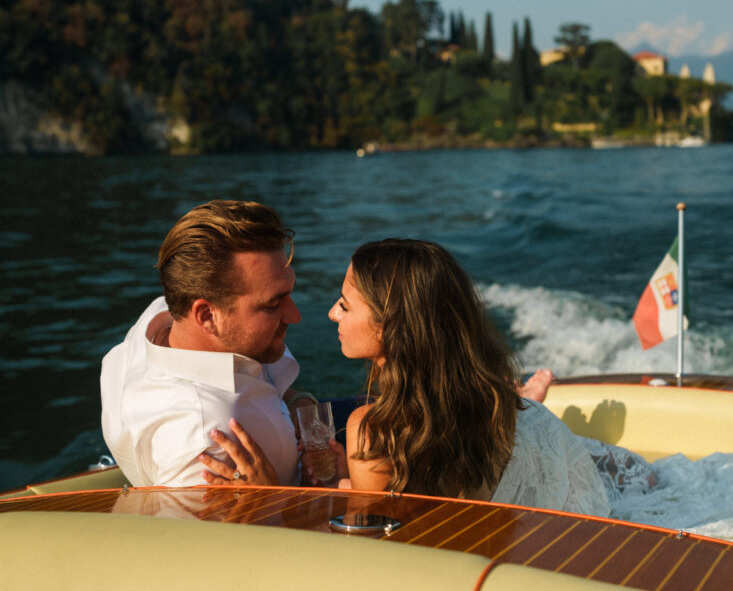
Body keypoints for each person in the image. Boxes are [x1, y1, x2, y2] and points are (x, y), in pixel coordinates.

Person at [202, 238, 608, 515]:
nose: (331, 313)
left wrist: (273, 496)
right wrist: (355, 479)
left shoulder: (375, 431)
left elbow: (367, 547)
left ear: (389, 326)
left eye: (345, 304)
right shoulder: (489, 400)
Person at [100, 200, 304, 488]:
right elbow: (193, 534)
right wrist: (270, 499)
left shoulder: (159, 319)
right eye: (272, 305)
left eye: (288, 293)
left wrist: (295, 399)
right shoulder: (206, 441)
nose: (295, 315)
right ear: (207, 316)